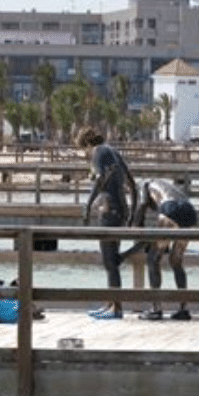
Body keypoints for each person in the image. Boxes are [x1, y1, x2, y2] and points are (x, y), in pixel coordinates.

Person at [77, 125, 137, 320]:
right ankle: (111, 303)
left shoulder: (97, 152)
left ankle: (116, 308)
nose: (86, 154)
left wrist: (87, 206)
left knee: (109, 262)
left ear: (87, 143)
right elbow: (132, 184)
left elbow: (100, 178)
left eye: (84, 150)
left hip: (108, 210)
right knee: (112, 260)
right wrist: (131, 212)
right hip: (121, 209)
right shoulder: (114, 152)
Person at [123, 178, 196, 321]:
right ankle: (183, 309)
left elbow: (142, 206)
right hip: (190, 211)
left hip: (170, 209)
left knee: (153, 259)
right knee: (176, 261)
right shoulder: (166, 186)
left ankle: (155, 309)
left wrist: (133, 226)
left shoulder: (145, 185)